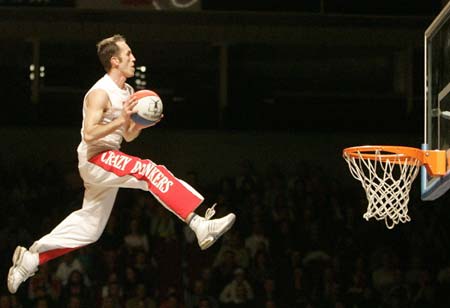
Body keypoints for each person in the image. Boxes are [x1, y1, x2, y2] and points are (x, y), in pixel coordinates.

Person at [7, 34, 236, 294]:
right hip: (95, 158)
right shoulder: (99, 93)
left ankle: (31, 259)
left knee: (91, 228)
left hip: (108, 159)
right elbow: (90, 134)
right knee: (149, 170)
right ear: (114, 61)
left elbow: (126, 135)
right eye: (128, 54)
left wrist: (139, 122)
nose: (133, 58)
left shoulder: (128, 92)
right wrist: (121, 119)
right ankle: (198, 223)